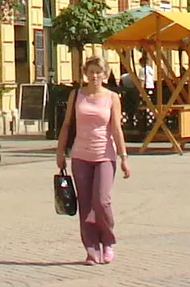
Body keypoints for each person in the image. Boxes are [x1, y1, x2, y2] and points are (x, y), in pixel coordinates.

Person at [55, 50, 130, 266]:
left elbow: (116, 129)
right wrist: (60, 153)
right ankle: (91, 249)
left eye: (98, 72)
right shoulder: (76, 95)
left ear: (105, 74)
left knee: (102, 201)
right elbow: (67, 125)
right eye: (91, 72)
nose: (94, 76)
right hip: (80, 155)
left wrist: (124, 157)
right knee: (86, 205)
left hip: (105, 155)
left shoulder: (112, 97)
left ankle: (107, 241)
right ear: (85, 73)